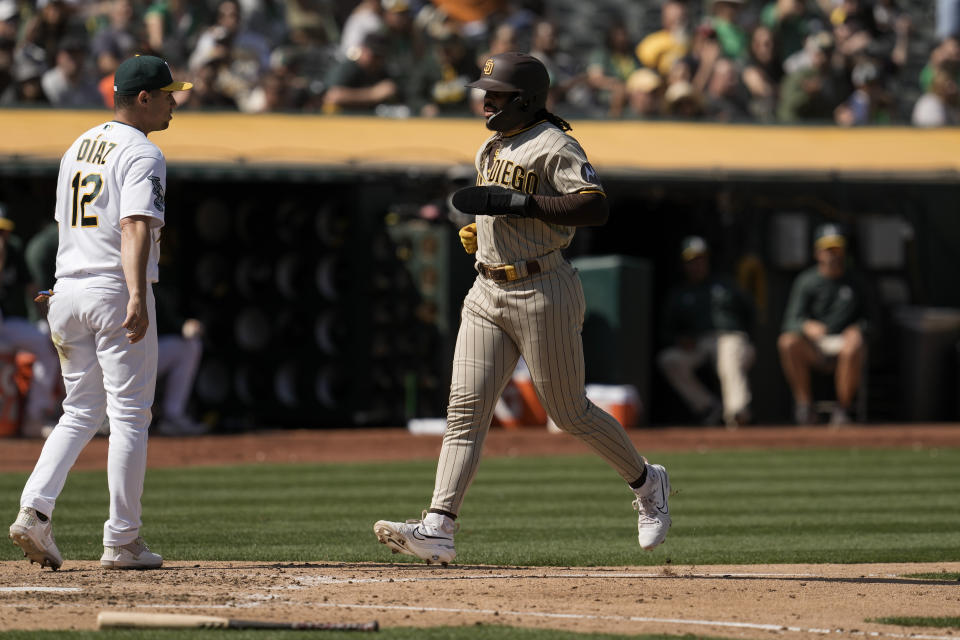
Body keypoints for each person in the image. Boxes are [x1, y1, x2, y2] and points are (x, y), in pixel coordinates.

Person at [373, 52, 671, 565]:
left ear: (527, 100)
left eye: (497, 94)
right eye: (485, 91)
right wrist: (487, 234)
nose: (485, 100)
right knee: (464, 411)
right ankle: (439, 527)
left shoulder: (555, 144)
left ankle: (648, 483)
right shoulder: (492, 143)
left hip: (543, 289)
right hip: (487, 291)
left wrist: (519, 207)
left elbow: (595, 205)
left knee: (569, 412)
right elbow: (499, 209)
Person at [8, 54, 191, 571]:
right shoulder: (142, 152)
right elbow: (134, 224)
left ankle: (35, 510)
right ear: (143, 98)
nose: (174, 102)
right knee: (130, 415)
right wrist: (136, 294)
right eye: (167, 93)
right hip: (113, 288)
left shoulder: (77, 145)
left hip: (67, 291)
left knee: (81, 411)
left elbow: (68, 225)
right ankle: (122, 539)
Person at [778, 223, 871, 426]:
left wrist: (857, 329)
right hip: (815, 344)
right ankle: (805, 407)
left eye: (837, 249)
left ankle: (843, 409)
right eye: (828, 250)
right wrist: (806, 326)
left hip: (844, 342)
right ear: (817, 253)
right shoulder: (806, 281)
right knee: (787, 342)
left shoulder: (856, 281)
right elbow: (791, 320)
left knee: (853, 344)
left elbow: (872, 321)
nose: (833, 255)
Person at [658, 236, 756, 428]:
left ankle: (737, 413)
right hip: (699, 343)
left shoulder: (726, 284)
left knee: (728, 357)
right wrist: (681, 340)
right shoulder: (680, 294)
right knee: (669, 359)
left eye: (701, 259)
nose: (697, 264)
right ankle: (708, 407)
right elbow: (666, 331)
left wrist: (747, 336)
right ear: (684, 264)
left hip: (730, 338)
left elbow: (750, 311)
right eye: (692, 260)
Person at [0, 205, 60, 437]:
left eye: (4, 231)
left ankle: (35, 416)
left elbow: (34, 291)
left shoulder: (14, 249)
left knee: (47, 346)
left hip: (9, 324)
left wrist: (50, 322)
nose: (2, 236)